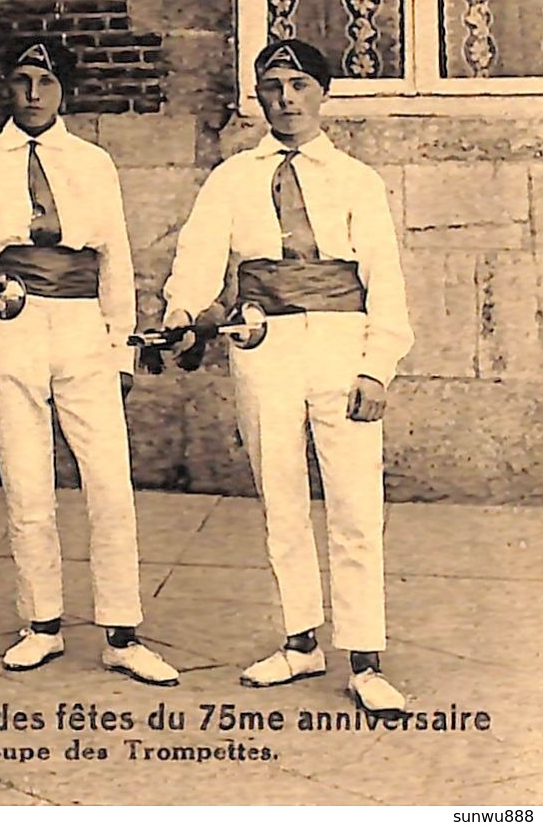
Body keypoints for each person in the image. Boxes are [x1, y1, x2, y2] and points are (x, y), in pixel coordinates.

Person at [160, 39, 413, 717]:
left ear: (322, 92)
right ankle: (299, 640)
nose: (286, 99)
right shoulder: (232, 178)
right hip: (262, 342)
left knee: (355, 503)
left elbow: (383, 280)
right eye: (272, 87)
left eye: (298, 84)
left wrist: (375, 367)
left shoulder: (357, 181)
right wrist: (180, 312)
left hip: (340, 343)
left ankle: (364, 656)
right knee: (280, 494)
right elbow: (197, 257)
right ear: (259, 98)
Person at [0, 38, 178, 686]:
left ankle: (121, 629)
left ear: (64, 89)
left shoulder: (92, 163)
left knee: (108, 481)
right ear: (6, 88)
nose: (32, 93)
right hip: (12, 323)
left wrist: (120, 346)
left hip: (81, 327)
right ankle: (39, 622)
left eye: (44, 80)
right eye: (21, 79)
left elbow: (114, 258)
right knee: (27, 479)